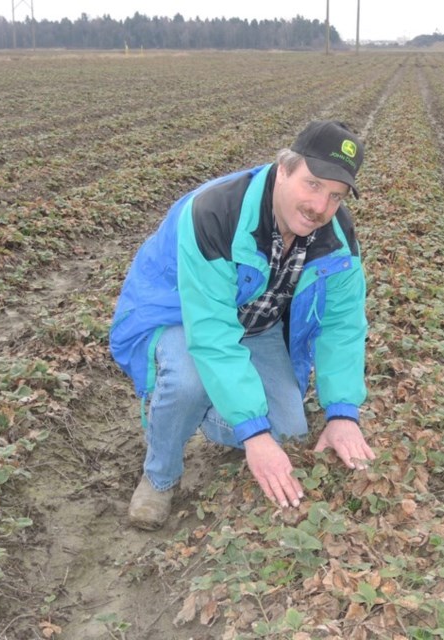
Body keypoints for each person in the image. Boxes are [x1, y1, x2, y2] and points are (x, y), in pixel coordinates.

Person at [109, 120, 376, 530]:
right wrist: (253, 432)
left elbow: (342, 325)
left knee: (288, 433)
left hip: (258, 323)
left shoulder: (337, 237)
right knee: (188, 382)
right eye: (312, 184)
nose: (320, 207)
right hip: (181, 312)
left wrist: (342, 413)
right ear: (284, 169)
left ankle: (204, 410)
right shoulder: (215, 214)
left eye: (336, 195)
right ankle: (160, 475)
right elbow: (212, 334)